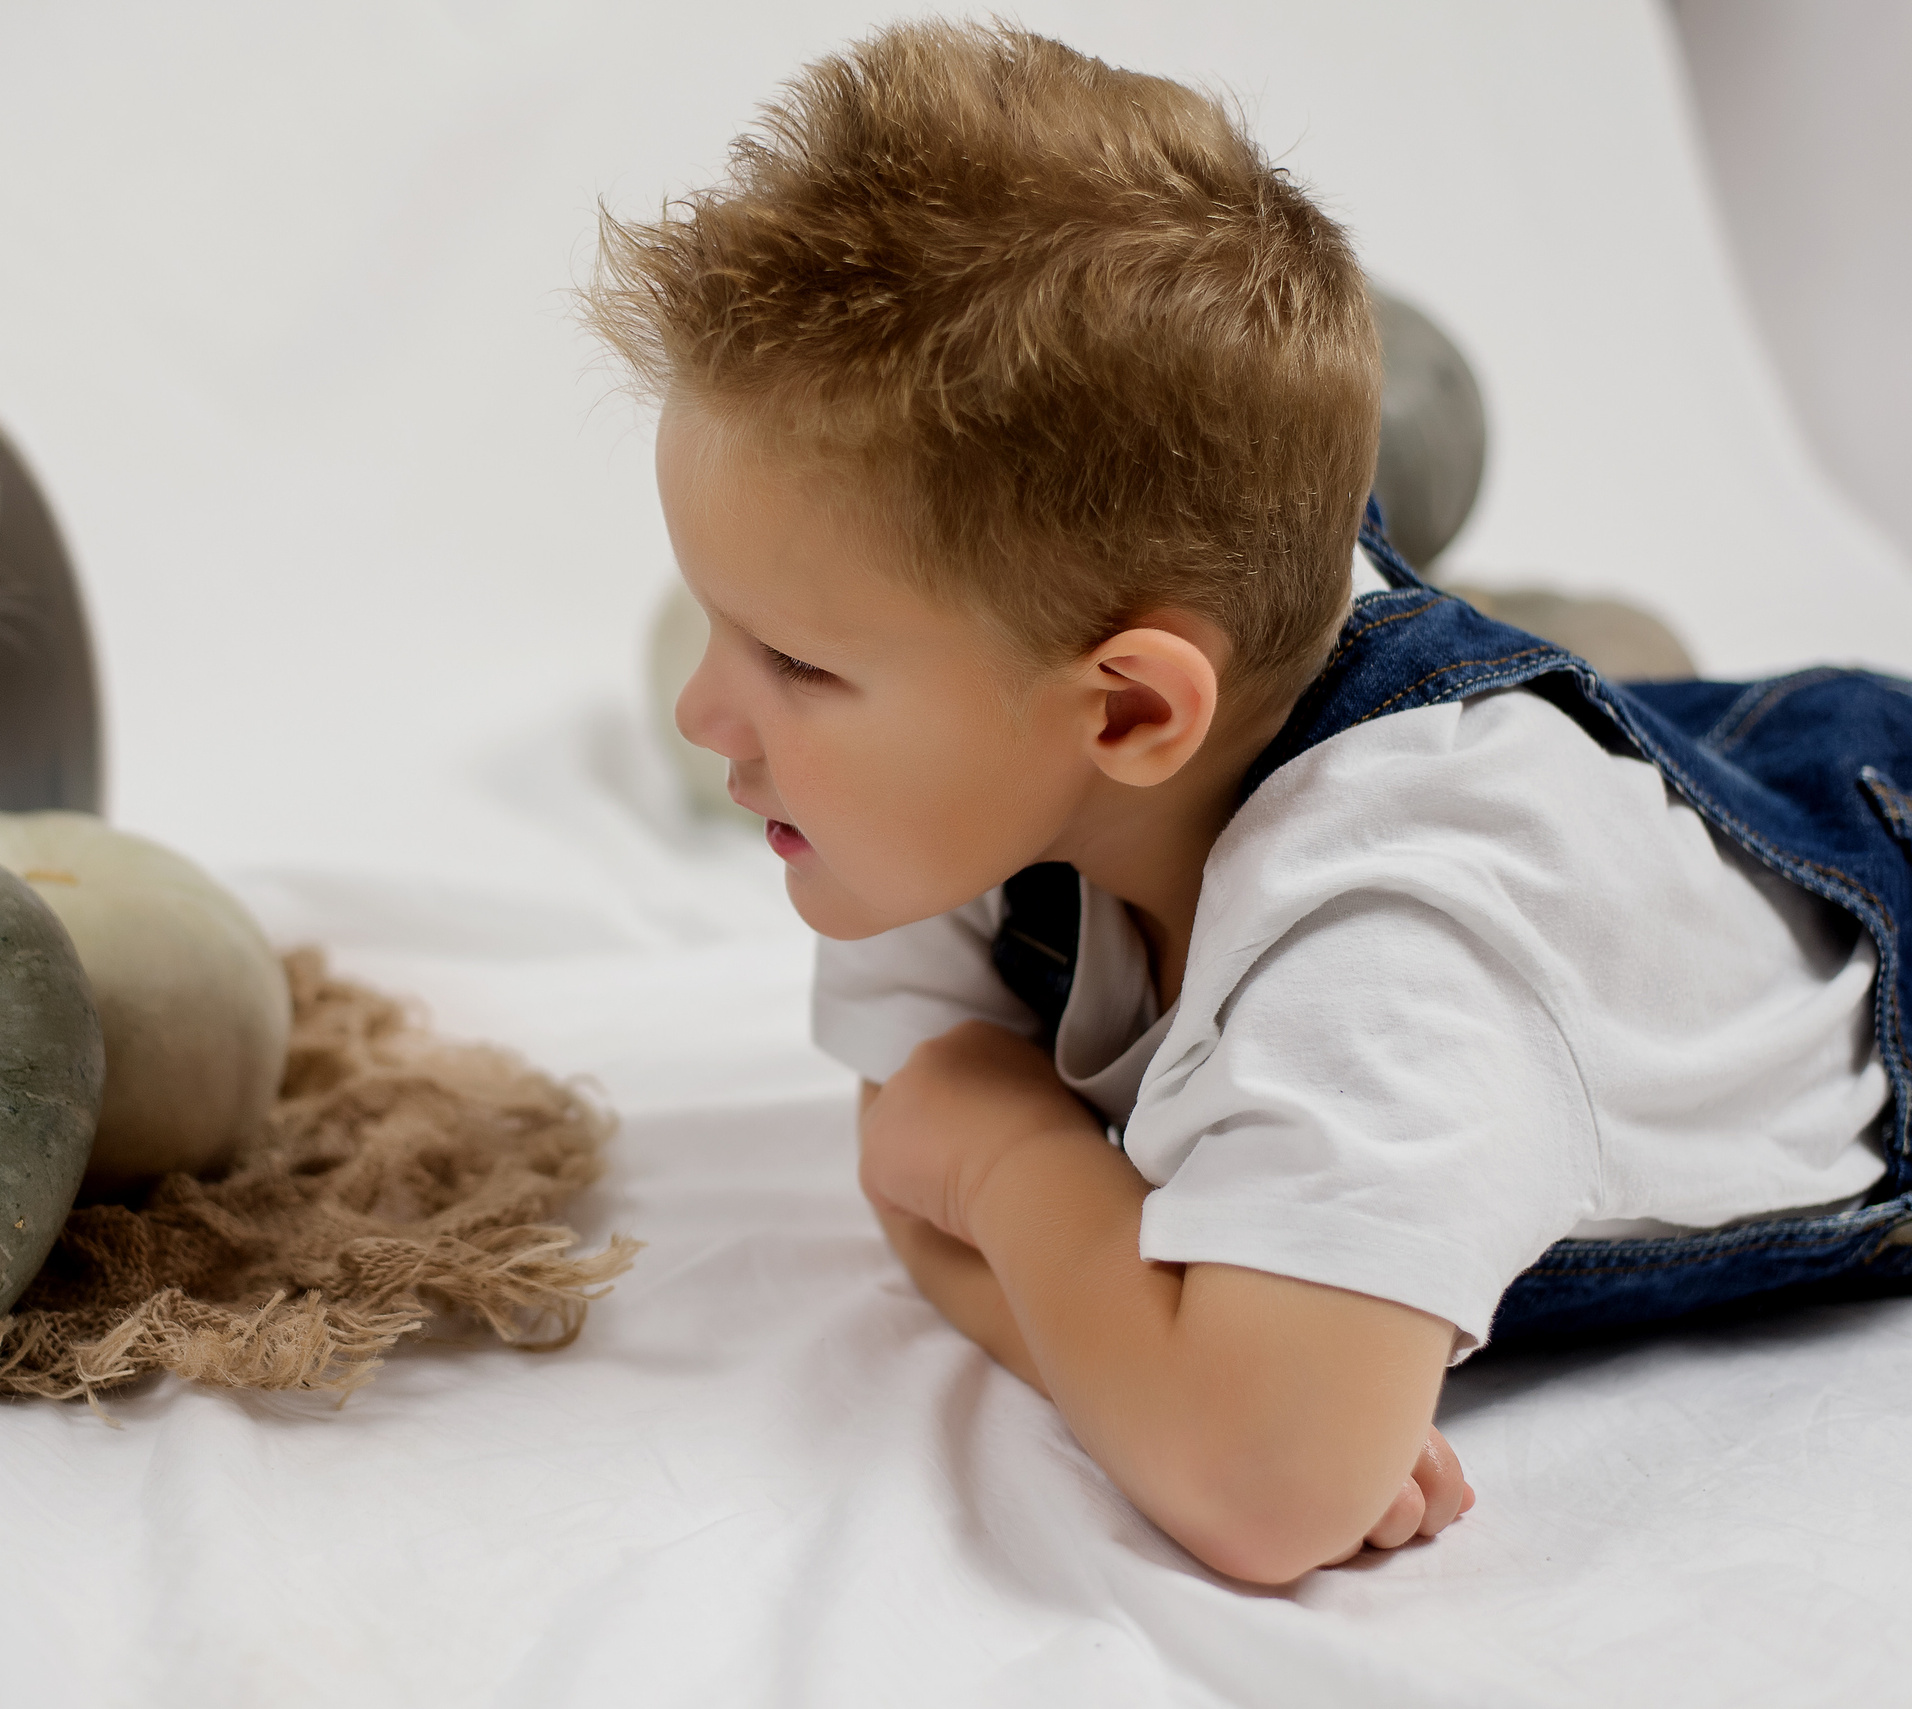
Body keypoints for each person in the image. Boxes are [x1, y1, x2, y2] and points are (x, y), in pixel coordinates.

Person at [585, 20, 1912, 1585]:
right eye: (721, 624)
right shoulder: (980, 778)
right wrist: (1150, 1355)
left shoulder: (1395, 947)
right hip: (1652, 783)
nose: (702, 714)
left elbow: (1257, 1488)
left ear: (1130, 710)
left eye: (798, 662)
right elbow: (907, 1150)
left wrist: (1022, 1173)